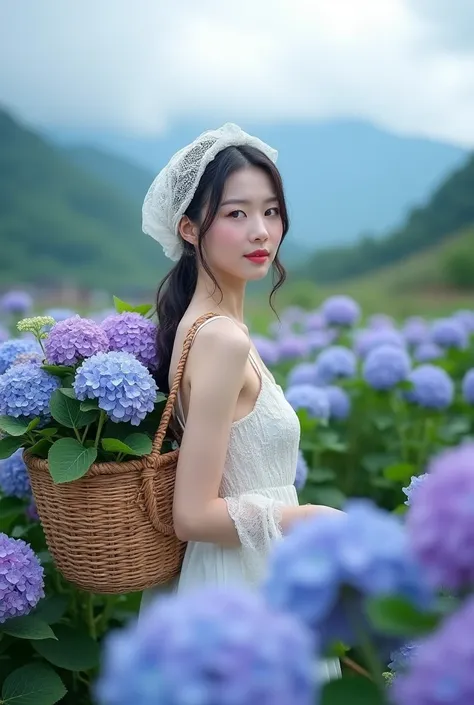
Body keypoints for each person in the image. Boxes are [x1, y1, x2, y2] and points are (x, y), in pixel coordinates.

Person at [140, 123, 340, 680]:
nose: (261, 231)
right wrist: (310, 519)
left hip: (244, 572)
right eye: (235, 214)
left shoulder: (203, 326)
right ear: (188, 228)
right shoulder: (221, 339)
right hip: (243, 588)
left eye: (271, 211)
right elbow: (192, 514)